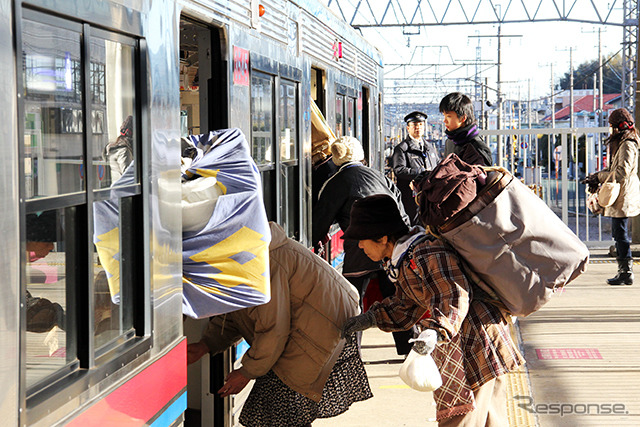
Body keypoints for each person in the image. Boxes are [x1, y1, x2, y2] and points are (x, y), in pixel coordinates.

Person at [340, 194, 524, 426]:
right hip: (473, 342)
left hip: (474, 344)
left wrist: (435, 331)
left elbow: (454, 294)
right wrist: (369, 319)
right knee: (489, 420)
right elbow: (406, 305)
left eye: (362, 239)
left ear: (382, 237)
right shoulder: (404, 258)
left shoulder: (425, 252)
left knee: (462, 419)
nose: (359, 245)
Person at [187, 222, 372, 427]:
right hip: (316, 328)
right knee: (280, 414)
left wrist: (246, 372)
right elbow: (240, 313)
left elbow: (272, 329)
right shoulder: (245, 255)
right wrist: (206, 344)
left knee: (272, 413)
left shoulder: (262, 263)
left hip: (322, 331)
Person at [313, 135, 414, 354]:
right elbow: (399, 204)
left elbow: (321, 217)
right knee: (395, 296)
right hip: (390, 246)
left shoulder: (336, 182)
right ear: (361, 156)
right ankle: (407, 347)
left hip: (361, 249)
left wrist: (317, 239)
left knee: (353, 300)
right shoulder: (377, 175)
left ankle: (351, 350)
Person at [583, 108, 640, 286]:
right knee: (618, 233)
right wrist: (598, 175)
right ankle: (624, 271)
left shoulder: (628, 144)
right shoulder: (623, 142)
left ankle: (626, 272)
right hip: (621, 194)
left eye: (611, 126)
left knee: (620, 233)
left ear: (618, 126)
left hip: (624, 195)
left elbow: (621, 172)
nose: (610, 129)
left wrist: (598, 177)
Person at [391, 111, 441, 224]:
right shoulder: (402, 149)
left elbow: (438, 165)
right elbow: (399, 170)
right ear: (408, 128)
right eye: (415, 125)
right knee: (413, 224)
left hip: (430, 196)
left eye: (421, 125)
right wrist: (422, 172)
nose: (418, 128)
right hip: (411, 198)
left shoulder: (430, 148)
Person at [440, 92, 492, 166]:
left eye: (448, 116)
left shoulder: (477, 146)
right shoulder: (450, 142)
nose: (444, 121)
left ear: (463, 118)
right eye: (444, 116)